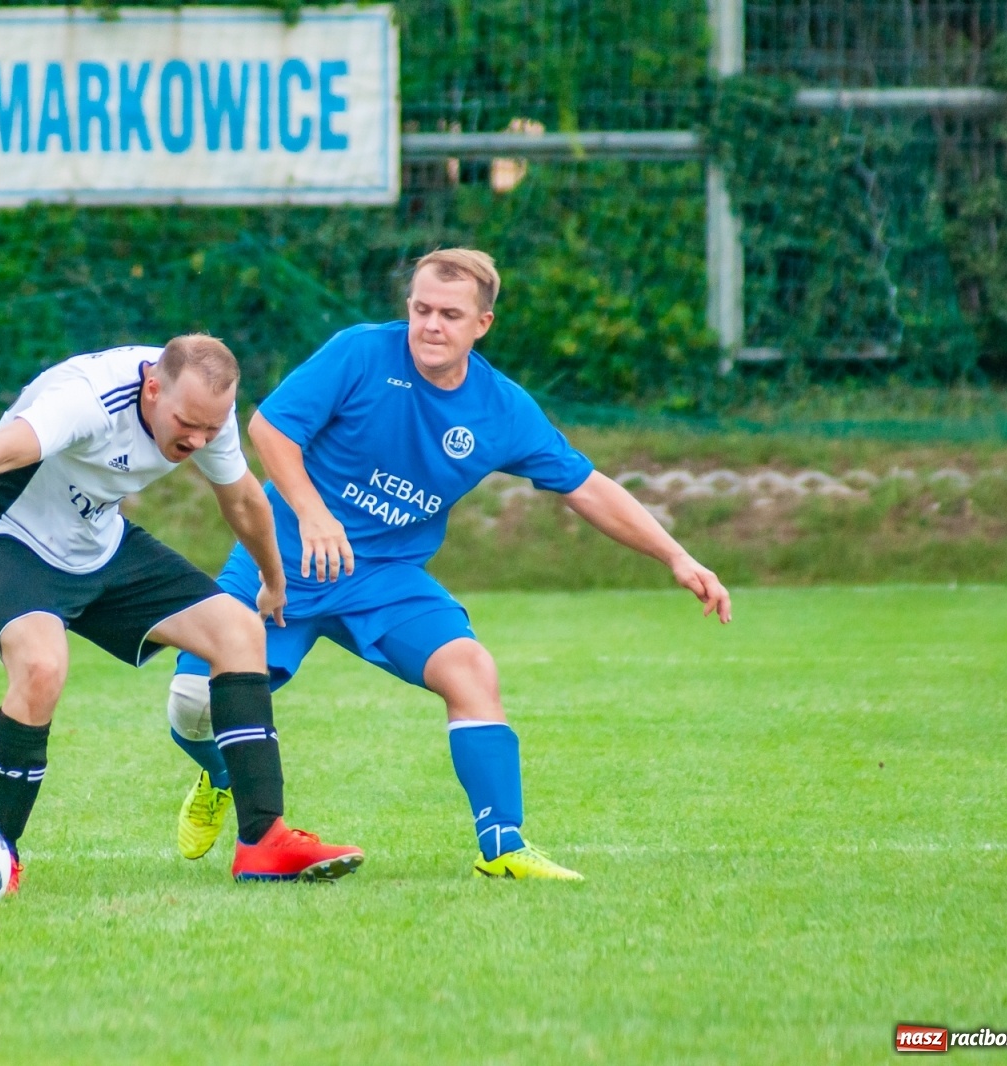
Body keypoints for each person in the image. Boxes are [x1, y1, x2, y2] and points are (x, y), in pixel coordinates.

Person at [164, 250, 732, 881]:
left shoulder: (500, 409)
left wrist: (676, 555)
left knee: (470, 667)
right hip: (282, 562)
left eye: (450, 315)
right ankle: (221, 775)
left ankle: (503, 845)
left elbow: (586, 487)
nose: (431, 325)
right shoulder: (360, 353)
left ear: (482, 324)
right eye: (422, 309)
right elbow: (271, 428)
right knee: (192, 705)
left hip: (385, 578)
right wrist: (313, 512)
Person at [0, 335, 363, 890]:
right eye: (187, 424)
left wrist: (272, 578)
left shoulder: (205, 409)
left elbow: (241, 498)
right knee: (42, 667)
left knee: (239, 631)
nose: (198, 440)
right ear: (153, 389)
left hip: (100, 543)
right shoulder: (88, 400)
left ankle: (264, 843)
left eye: (211, 429)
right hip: (9, 539)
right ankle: (0, 855)